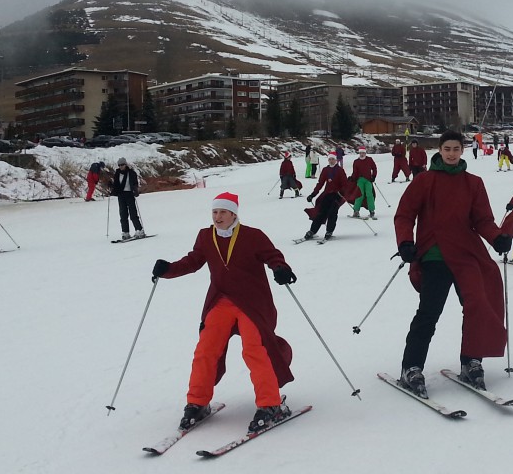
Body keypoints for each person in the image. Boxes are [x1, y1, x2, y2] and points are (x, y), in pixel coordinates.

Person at [152, 192, 298, 434]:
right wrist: (168, 269)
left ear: (233, 214)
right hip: (221, 300)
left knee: (255, 350)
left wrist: (280, 268)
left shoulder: (253, 236)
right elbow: (193, 261)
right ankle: (197, 402)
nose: (217, 217)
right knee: (206, 348)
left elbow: (273, 256)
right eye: (214, 212)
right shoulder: (206, 236)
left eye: (222, 212)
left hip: (252, 302)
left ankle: (270, 404)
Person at [394, 131, 513, 396]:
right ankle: (411, 367)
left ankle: (471, 360)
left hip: (467, 254)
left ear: (462, 150)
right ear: (439, 149)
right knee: (428, 313)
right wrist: (405, 242)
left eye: (456, 149)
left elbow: (482, 220)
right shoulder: (424, 181)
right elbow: (404, 215)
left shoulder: (473, 183)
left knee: (477, 306)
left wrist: (497, 238)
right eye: (447, 148)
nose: (451, 153)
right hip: (434, 256)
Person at [305, 152, 349, 240]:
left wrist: (342, 192)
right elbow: (320, 183)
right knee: (321, 213)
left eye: (333, 159)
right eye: (330, 159)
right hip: (327, 194)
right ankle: (312, 231)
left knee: (332, 213)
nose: (331, 161)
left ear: (336, 160)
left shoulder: (340, 170)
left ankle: (329, 231)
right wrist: (313, 194)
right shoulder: (325, 170)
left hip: (337, 195)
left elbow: (345, 184)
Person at [111, 157, 145, 239]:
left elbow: (135, 183)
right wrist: (111, 186)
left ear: (125, 164)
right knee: (123, 214)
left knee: (133, 213)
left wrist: (135, 189)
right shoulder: (117, 174)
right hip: (121, 195)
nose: (120, 167)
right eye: (119, 165)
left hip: (129, 194)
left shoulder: (131, 172)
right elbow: (116, 185)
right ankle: (125, 232)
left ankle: (139, 230)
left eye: (122, 165)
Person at [350, 147, 377, 219]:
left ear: (365, 153)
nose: (362, 154)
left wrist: (373, 176)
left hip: (368, 180)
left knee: (369, 194)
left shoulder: (369, 159)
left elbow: (374, 168)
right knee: (359, 195)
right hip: (360, 180)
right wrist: (352, 178)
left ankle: (371, 210)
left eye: (363, 153)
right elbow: (355, 172)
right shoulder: (356, 161)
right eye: (360, 153)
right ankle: (356, 211)